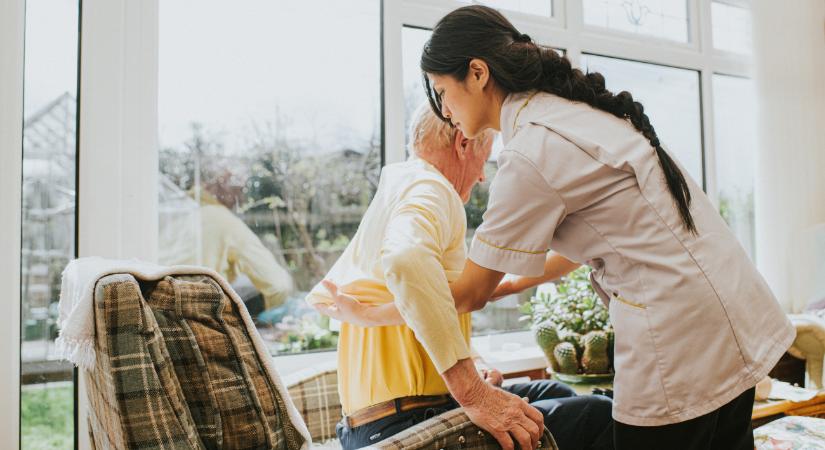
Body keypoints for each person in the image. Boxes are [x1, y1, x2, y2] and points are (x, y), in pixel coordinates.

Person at [336, 5, 795, 449]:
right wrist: (508, 283)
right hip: (728, 312)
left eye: (441, 91)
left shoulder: (530, 150)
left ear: (477, 73)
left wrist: (375, 313)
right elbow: (590, 244)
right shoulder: (566, 114)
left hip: (679, 334)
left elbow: (469, 290)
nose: (443, 108)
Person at [307, 104, 612, 450]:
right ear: (463, 143)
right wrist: (472, 390)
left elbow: (453, 294)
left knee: (553, 391)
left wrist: (474, 362)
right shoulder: (430, 188)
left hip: (377, 423)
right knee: (599, 415)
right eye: (485, 156)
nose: (483, 175)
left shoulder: (402, 186)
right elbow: (406, 258)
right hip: (403, 425)